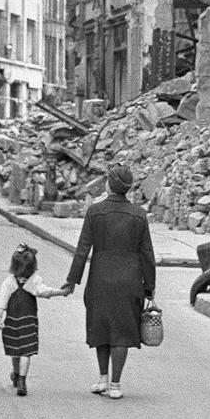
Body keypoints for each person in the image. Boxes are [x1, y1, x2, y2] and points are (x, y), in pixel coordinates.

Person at [62, 163, 156, 400]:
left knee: (101, 327)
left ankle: (102, 378)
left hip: (100, 279)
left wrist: (72, 280)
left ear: (109, 185)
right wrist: (149, 286)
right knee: (122, 331)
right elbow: (147, 253)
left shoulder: (95, 212)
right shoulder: (139, 214)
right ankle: (115, 384)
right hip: (130, 280)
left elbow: (83, 249)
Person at [0, 243, 71, 396]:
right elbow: (45, 292)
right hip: (28, 320)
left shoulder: (9, 282)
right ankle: (22, 380)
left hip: (11, 320)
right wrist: (63, 291)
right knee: (26, 351)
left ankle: (16, 374)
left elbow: (2, 300)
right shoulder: (34, 281)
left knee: (15, 351)